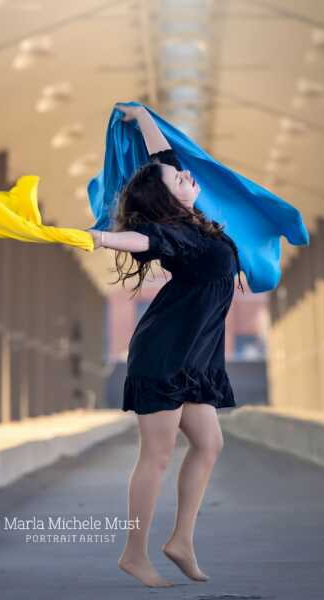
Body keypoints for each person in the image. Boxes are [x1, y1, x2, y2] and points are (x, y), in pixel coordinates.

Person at [86, 103, 243, 588]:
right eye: (178, 181)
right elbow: (138, 239)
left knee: (209, 443)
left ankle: (181, 541)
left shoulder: (198, 222)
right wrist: (97, 238)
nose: (187, 178)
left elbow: (166, 157)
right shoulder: (171, 233)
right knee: (156, 454)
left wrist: (142, 116)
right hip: (165, 353)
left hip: (195, 354)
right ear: (167, 199)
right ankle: (134, 553)